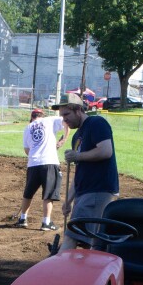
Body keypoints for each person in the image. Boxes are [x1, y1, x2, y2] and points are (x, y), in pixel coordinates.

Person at [55, 93, 119, 250]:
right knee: (89, 242)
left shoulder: (96, 123)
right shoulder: (77, 135)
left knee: (72, 238)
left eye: (66, 114)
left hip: (98, 192)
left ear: (78, 110)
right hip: (84, 195)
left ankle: (58, 272)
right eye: (62, 116)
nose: (64, 120)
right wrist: (68, 200)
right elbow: (80, 172)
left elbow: (106, 151)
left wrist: (77, 155)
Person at [13, 108, 69, 231]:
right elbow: (66, 122)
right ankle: (46, 222)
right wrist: (63, 140)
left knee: (28, 193)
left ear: (32, 117)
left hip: (33, 163)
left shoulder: (28, 128)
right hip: (49, 162)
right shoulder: (50, 120)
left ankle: (23, 218)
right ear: (41, 115)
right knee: (48, 194)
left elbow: (27, 150)